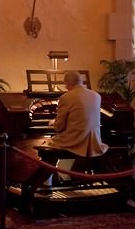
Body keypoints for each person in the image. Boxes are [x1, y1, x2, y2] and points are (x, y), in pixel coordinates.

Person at [21, 70, 109, 213]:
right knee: (57, 144)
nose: (65, 87)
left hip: (75, 140)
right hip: (94, 141)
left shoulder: (66, 97)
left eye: (65, 84)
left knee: (46, 145)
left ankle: (44, 184)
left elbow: (59, 126)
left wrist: (51, 122)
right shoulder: (96, 96)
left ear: (68, 83)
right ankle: (62, 176)